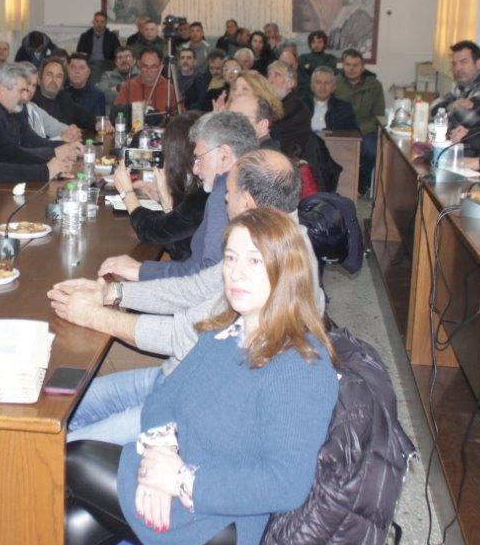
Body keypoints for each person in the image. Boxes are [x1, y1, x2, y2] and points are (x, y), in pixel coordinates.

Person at [63, 206, 339, 545]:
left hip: (224, 516)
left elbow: (285, 484)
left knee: (73, 458)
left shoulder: (299, 363)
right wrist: (160, 453)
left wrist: (181, 480)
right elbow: (164, 396)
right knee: (69, 527)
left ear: (287, 270)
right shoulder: (226, 330)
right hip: (177, 469)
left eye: (254, 261)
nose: (236, 273)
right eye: (231, 258)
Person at [54, 149, 318, 443]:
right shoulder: (266, 241)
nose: (224, 199)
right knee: (62, 407)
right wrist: (114, 293)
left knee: (62, 448)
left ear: (247, 202)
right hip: (178, 378)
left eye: (229, 192)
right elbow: (195, 288)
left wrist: (93, 315)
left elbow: (182, 336)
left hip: (191, 411)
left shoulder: (272, 265)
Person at [98, 111, 256, 283]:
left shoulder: (221, 196)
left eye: (199, 158)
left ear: (224, 155)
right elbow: (186, 253)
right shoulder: (248, 182)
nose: (195, 169)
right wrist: (166, 201)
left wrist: (141, 271)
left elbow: (206, 278)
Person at [112, 112, 208, 262]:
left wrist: (127, 193)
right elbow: (179, 245)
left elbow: (151, 231)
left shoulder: (202, 197)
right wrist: (165, 198)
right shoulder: (202, 187)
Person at [0, 62, 76, 165]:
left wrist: (65, 145)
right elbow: (11, 154)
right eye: (21, 90)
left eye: (33, 86)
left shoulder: (17, 109)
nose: (25, 96)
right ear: (2, 89)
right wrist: (54, 153)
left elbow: (32, 141)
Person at [331, 48, 386, 192]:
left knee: (371, 151)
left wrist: (360, 130)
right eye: (348, 64)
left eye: (355, 65)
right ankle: (338, 184)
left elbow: (379, 114)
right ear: (343, 66)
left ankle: (362, 181)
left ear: (362, 67)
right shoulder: (334, 83)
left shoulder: (374, 85)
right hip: (341, 129)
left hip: (366, 129)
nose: (351, 68)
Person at [430, 41, 480, 133]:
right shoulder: (463, 85)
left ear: (478, 63)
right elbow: (432, 108)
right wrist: (452, 106)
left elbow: (457, 123)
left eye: (463, 62)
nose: (457, 68)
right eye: (454, 64)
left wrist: (443, 113)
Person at [115, 46, 182, 117]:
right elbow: (117, 114)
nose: (149, 71)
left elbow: (181, 118)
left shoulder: (170, 89)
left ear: (160, 66)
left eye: (153, 66)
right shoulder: (127, 87)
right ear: (139, 65)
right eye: (145, 66)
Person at [32, 57, 95, 132]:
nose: (54, 80)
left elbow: (87, 118)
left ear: (62, 84)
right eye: (49, 74)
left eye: (59, 76)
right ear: (39, 79)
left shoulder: (65, 99)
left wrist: (99, 123)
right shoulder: (30, 101)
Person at [265, 60, 311, 157]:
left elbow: (287, 144)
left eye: (277, 75)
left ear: (290, 83)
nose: (270, 81)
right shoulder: (264, 105)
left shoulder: (299, 109)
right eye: (269, 76)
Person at [302, 66, 360, 134]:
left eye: (327, 83)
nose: (322, 87)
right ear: (312, 86)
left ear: (333, 87)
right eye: (318, 82)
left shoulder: (344, 108)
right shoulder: (301, 106)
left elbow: (354, 134)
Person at [66, 53, 107, 120]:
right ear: (67, 70)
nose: (77, 71)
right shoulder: (61, 93)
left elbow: (98, 123)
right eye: (73, 67)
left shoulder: (97, 96)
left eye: (81, 67)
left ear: (88, 72)